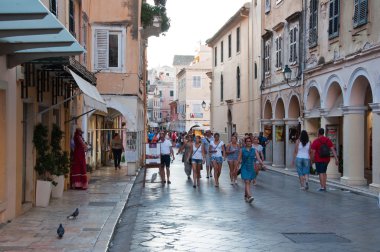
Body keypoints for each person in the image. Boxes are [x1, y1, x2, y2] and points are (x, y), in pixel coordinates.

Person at [237, 137, 264, 203]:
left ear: (251, 142)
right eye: (247, 141)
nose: (248, 142)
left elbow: (258, 158)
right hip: (244, 168)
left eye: (249, 141)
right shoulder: (242, 150)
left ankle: (246, 195)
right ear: (245, 143)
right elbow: (238, 160)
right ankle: (249, 196)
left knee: (248, 182)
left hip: (251, 168)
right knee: (247, 181)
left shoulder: (254, 150)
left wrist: (262, 164)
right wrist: (236, 168)